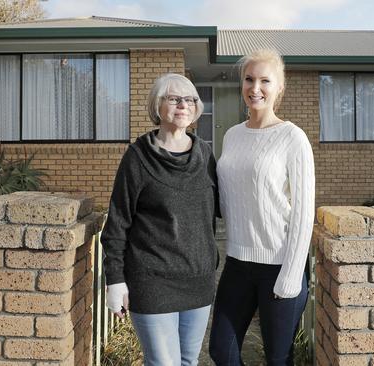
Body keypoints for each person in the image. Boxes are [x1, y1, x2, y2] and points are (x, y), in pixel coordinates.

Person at [101, 73, 219, 366]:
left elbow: (223, 208)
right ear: (158, 105)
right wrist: (115, 280)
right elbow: (117, 222)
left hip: (198, 281)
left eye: (190, 99)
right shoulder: (137, 157)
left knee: (188, 362)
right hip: (152, 281)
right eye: (174, 98)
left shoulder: (205, 154)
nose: (184, 104)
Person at [209, 48, 315, 365]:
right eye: (249, 79)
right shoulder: (231, 136)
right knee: (221, 350)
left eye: (265, 81)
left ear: (279, 87)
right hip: (238, 262)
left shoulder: (292, 137)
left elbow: (303, 211)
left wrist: (292, 274)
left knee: (278, 359)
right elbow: (227, 198)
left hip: (280, 265)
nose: (256, 88)